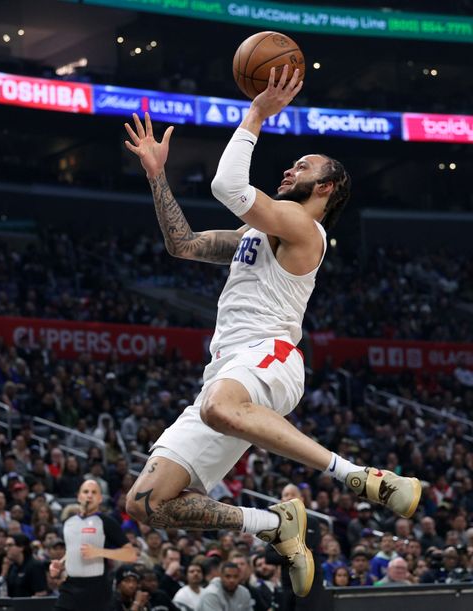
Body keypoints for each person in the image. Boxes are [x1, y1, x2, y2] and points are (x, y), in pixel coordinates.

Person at [122, 64, 420, 600]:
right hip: (227, 374)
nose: (289, 169)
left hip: (269, 356)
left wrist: (257, 113)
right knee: (147, 504)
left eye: (300, 166)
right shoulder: (253, 231)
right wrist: (156, 176)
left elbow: (227, 185)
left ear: (325, 187)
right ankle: (275, 525)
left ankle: (362, 476)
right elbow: (182, 244)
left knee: (217, 405)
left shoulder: (306, 228)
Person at [51, 479, 138, 611]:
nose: (89, 495)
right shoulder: (69, 522)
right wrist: (61, 564)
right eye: (86, 492)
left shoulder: (106, 522)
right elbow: (73, 550)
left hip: (96, 589)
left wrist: (99, 552)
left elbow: (131, 554)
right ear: (79, 497)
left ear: (100, 499)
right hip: (70, 587)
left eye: (94, 492)